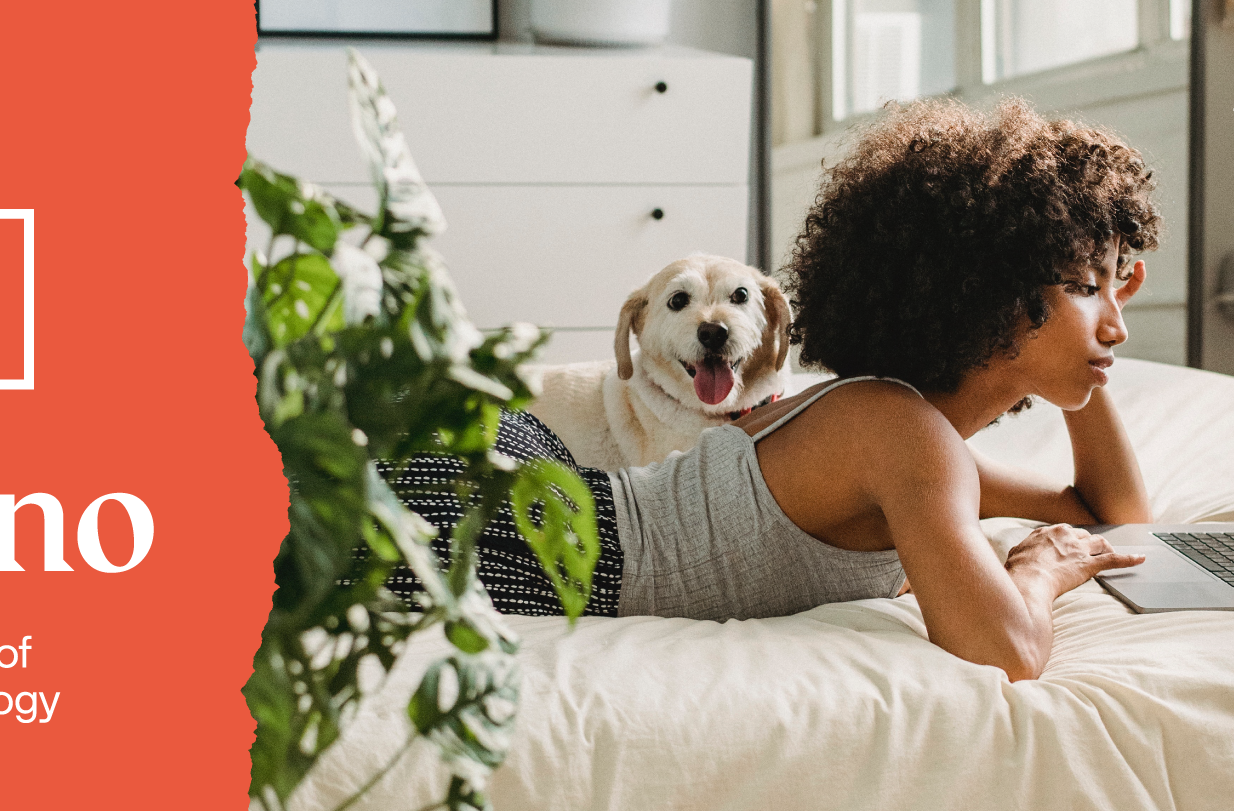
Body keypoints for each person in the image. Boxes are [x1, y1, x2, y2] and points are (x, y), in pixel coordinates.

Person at [385, 96, 1160, 682]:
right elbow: (1009, 651)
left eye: (1114, 289)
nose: (1116, 322)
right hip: (516, 525)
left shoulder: (907, 436)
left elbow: (1113, 517)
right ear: (991, 292)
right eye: (1088, 286)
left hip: (538, 494)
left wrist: (1090, 354)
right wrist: (1038, 568)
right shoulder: (901, 436)